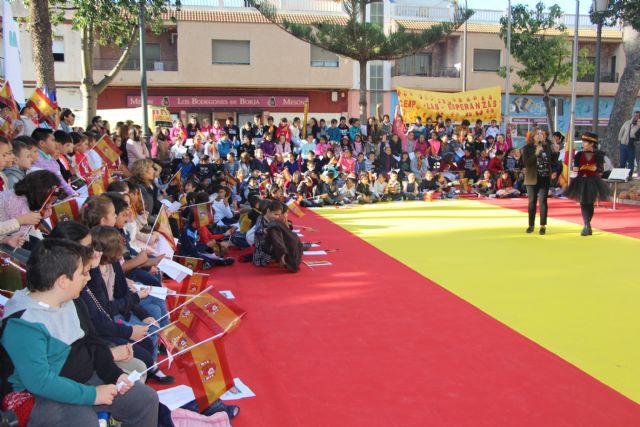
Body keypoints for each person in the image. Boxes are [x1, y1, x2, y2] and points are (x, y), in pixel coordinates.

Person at [0, 238, 159, 426]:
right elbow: (40, 382)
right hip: (41, 395)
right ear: (63, 281)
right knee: (84, 421)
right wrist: (93, 395)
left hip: (82, 377)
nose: (88, 278)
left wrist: (114, 375)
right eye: (83, 274)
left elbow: (92, 341)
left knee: (145, 399)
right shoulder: (23, 324)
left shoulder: (72, 301)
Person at [566, 132, 609, 236]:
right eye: (583, 141)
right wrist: (575, 168)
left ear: (591, 143)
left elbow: (601, 169)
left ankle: (587, 224)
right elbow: (575, 167)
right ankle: (587, 225)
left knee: (590, 203)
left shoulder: (598, 154)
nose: (583, 143)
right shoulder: (579, 154)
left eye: (585, 142)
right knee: (583, 202)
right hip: (581, 180)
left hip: (593, 180)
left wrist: (596, 168)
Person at [522, 128, 558, 235]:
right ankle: (531, 225)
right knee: (532, 202)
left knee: (543, 202)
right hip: (532, 178)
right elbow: (527, 163)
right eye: (537, 134)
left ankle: (542, 226)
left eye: (541, 134)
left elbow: (553, 161)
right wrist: (536, 154)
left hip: (545, 177)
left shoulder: (547, 147)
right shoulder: (527, 148)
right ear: (533, 136)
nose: (540, 135)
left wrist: (556, 152)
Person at [617, 110, 639, 178]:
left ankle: (629, 176)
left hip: (632, 145)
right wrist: (620, 140)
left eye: (637, 116)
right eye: (634, 115)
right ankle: (621, 175)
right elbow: (621, 131)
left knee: (630, 161)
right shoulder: (627, 123)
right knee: (622, 160)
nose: (635, 117)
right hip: (623, 144)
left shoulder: (639, 125)